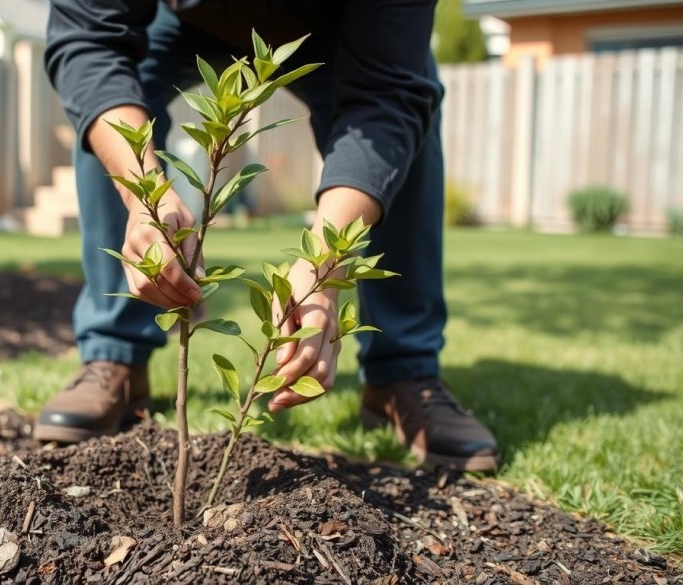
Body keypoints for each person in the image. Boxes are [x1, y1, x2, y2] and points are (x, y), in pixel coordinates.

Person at [33, 0, 500, 472]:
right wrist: (145, 198)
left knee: (410, 107)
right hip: (178, 17)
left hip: (332, 23)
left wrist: (324, 261)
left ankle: (404, 373)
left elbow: (389, 94)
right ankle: (113, 357)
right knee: (111, 112)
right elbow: (90, 44)